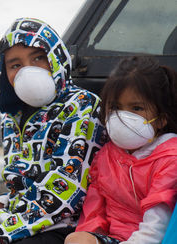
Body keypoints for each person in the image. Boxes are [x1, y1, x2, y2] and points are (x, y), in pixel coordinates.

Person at [0, 18, 107, 244]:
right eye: (15, 65)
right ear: (3, 73)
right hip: (18, 221)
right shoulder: (12, 117)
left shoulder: (83, 106)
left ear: (57, 58)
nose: (28, 70)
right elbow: (26, 178)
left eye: (38, 58)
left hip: (65, 225)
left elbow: (67, 192)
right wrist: (5, 201)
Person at [64, 57, 177, 244]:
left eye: (136, 108)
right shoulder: (106, 156)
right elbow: (93, 213)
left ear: (161, 119)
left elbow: (156, 227)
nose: (123, 117)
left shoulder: (170, 158)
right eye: (115, 107)